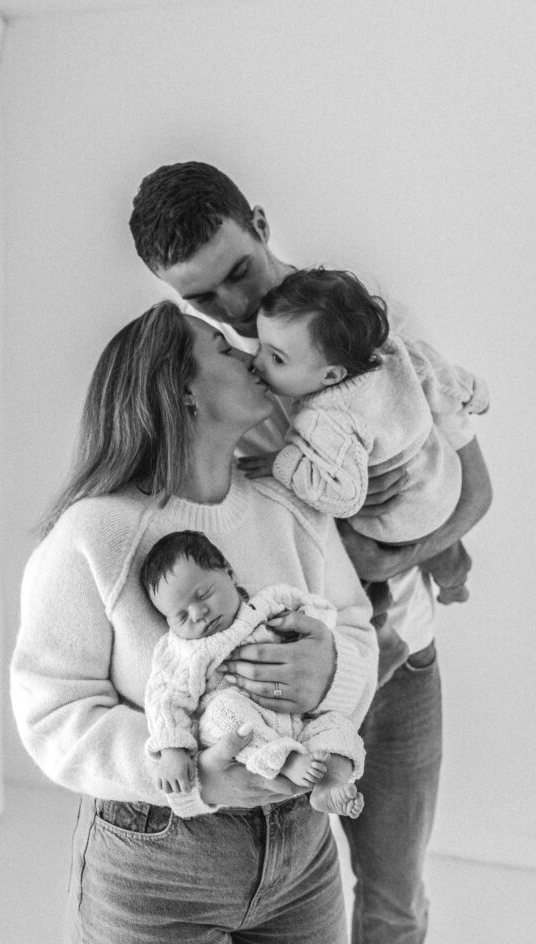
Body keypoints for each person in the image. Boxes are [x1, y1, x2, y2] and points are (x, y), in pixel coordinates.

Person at [129, 161, 493, 944]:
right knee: (295, 908)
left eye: (239, 273)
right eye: (201, 298)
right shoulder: (217, 379)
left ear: (260, 224)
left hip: (400, 658)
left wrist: (400, 553)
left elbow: (469, 487)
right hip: (275, 690)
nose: (234, 308)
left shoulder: (360, 322)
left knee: (393, 897)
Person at [10, 301, 377, 944]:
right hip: (159, 858)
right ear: (182, 391)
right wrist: (190, 776)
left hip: (302, 839)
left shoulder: (290, 507)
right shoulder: (93, 534)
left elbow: (355, 627)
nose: (249, 352)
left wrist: (331, 672)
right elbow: (53, 712)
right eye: (223, 348)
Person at [248, 267, 488, 608]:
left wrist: (283, 463)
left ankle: (382, 622)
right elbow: (437, 375)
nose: (257, 362)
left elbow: (342, 496)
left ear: (332, 375)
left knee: (358, 582)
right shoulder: (392, 353)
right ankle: (455, 582)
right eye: (260, 347)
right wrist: (473, 394)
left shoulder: (327, 419)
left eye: (275, 358)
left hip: (399, 518)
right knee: (446, 553)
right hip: (443, 480)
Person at [141, 529, 365, 817]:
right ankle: (287, 760)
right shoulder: (185, 651)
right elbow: (165, 698)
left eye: (204, 594)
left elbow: (319, 610)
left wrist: (314, 627)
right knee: (223, 712)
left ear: (230, 574)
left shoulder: (268, 604)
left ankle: (329, 784)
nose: (198, 614)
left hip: (298, 719)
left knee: (336, 725)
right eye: (181, 616)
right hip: (242, 733)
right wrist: (172, 750)